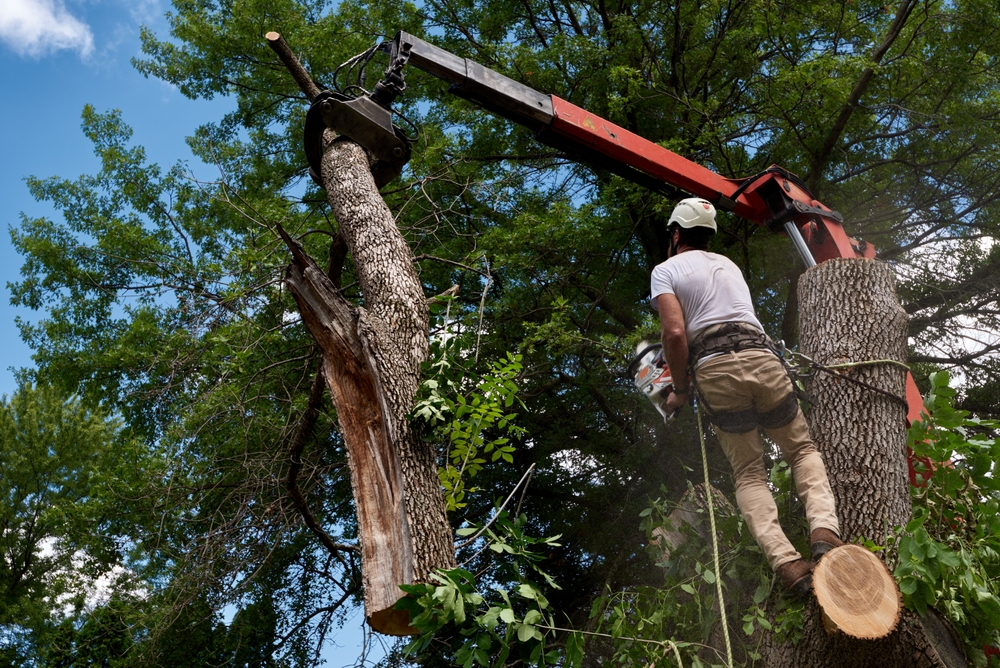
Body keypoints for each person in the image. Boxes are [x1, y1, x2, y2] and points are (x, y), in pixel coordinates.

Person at [650, 197, 843, 595]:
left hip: (714, 369)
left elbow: (673, 334)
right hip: (761, 357)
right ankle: (825, 534)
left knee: (750, 473)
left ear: (675, 233)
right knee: (802, 450)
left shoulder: (665, 269)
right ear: (709, 234)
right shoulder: (729, 265)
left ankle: (788, 565)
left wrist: (681, 392)